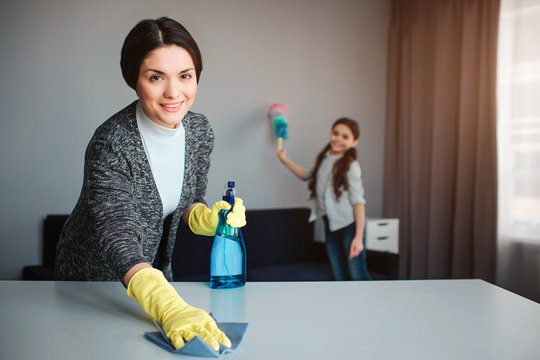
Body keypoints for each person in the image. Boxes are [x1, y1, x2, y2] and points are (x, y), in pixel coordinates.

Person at [55, 17, 246, 351]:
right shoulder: (112, 142)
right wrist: (168, 305)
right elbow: (118, 237)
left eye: (185, 76)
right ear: (135, 80)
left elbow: (189, 201)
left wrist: (208, 219)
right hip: (95, 286)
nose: (174, 92)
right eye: (156, 77)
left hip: (157, 282)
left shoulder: (199, 131)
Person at [277, 117, 371, 281]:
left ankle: (367, 305)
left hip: (350, 225)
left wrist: (358, 237)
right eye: (336, 133)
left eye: (345, 136)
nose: (338, 139)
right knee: (339, 274)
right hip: (330, 224)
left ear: (354, 142)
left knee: (357, 274)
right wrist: (284, 160)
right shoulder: (324, 159)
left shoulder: (351, 166)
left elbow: (358, 202)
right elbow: (305, 174)